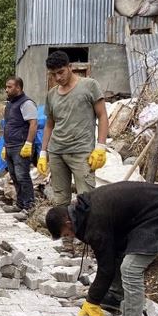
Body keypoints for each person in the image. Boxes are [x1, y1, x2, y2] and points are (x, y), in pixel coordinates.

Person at [45, 182, 158, 316]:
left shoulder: (94, 219)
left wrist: (92, 300)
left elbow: (106, 266)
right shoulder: (83, 211)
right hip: (151, 208)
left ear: (67, 222)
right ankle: (116, 296)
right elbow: (109, 256)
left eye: (66, 234)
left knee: (131, 268)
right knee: (120, 253)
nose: (69, 237)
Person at [38, 50, 109, 205]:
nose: (58, 78)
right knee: (60, 200)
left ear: (70, 67)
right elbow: (50, 124)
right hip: (57, 152)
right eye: (53, 74)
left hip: (81, 152)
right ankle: (65, 229)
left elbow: (102, 115)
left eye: (61, 72)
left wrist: (101, 147)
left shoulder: (89, 85)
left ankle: (87, 230)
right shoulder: (51, 94)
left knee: (86, 199)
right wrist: (43, 153)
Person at [1, 76, 38, 212]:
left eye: (10, 87)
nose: (7, 90)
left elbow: (33, 124)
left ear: (18, 87)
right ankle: (20, 204)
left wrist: (28, 143)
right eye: (6, 86)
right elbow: (8, 125)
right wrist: (5, 145)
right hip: (10, 145)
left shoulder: (26, 103)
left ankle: (29, 206)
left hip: (21, 146)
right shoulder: (10, 104)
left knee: (23, 176)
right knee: (14, 176)